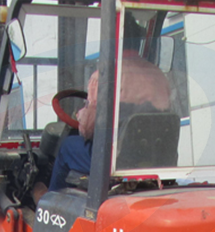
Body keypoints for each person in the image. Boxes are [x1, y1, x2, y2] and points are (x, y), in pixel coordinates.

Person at [46, 20, 171, 193]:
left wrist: (81, 116)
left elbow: (87, 129)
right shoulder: (159, 76)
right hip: (156, 157)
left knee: (67, 146)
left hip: (114, 159)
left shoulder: (103, 76)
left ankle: (50, 200)